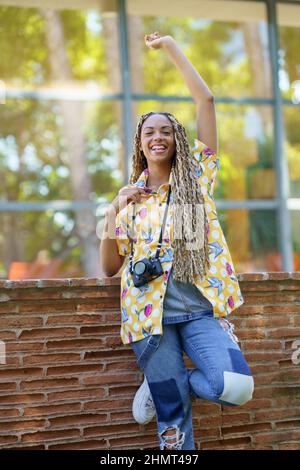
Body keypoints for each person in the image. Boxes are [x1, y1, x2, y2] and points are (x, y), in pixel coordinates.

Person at [100, 32, 254, 451]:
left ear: (176, 138)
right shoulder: (128, 198)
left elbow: (206, 101)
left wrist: (169, 46)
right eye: (150, 131)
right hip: (148, 320)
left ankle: (167, 382)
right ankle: (165, 390)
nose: (158, 137)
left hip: (200, 310)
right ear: (141, 142)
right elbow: (110, 268)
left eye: (166, 130)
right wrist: (113, 211)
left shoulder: (198, 177)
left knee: (236, 387)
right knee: (173, 421)